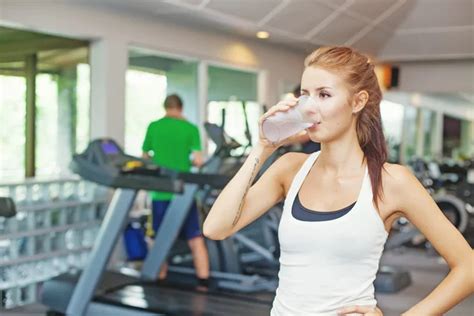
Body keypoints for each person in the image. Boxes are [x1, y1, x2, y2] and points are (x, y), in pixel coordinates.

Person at [203, 47, 473, 315]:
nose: (309, 107)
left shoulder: (392, 181)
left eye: (324, 95)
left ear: (357, 102)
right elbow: (216, 228)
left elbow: (468, 267)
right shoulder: (290, 168)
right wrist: (262, 148)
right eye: (304, 95)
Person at [142, 94, 209, 287]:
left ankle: (159, 276)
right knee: (195, 239)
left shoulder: (154, 126)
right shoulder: (190, 128)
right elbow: (198, 160)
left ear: (165, 107)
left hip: (160, 193)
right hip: (184, 194)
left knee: (156, 238)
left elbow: (145, 157)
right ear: (181, 108)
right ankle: (203, 281)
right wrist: (184, 160)